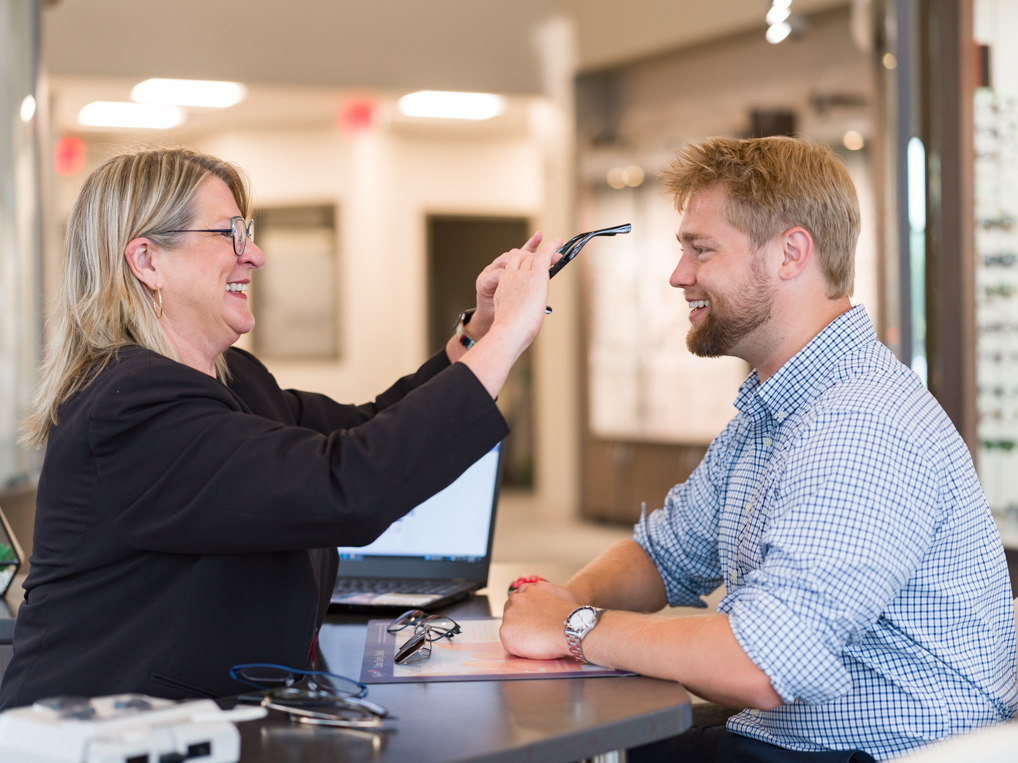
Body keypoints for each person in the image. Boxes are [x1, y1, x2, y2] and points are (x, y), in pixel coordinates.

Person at [500, 136, 1018, 761]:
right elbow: (663, 554)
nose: (679, 275)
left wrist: (574, 629)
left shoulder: (860, 426)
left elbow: (761, 665)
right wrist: (565, 602)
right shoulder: (775, 410)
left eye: (702, 250)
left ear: (790, 254)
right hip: (782, 739)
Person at [0, 148, 560, 708]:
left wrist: (480, 335)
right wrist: (512, 334)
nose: (256, 256)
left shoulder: (234, 379)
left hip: (202, 725)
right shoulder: (129, 407)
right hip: (98, 736)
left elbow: (367, 429)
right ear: (147, 260)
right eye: (231, 234)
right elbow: (348, 486)